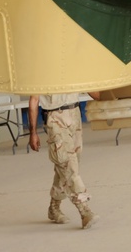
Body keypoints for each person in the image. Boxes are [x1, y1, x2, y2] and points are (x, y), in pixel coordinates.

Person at [28, 91, 101, 229]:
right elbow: (34, 99)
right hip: (55, 117)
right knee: (68, 165)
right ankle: (84, 210)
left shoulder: (70, 69)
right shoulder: (40, 70)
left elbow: (90, 87)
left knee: (67, 166)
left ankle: (54, 208)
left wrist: (113, 97)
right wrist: (33, 133)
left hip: (75, 114)